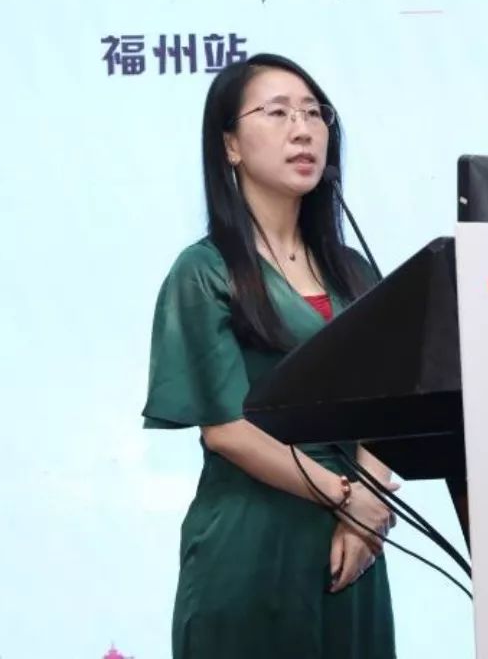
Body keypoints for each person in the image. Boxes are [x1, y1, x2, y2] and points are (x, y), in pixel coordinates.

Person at [142, 53, 398, 658]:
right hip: (253, 542)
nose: (303, 130)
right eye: (278, 113)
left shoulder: (354, 271)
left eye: (313, 113)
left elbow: (389, 402)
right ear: (230, 145)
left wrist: (369, 506)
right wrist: (348, 497)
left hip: (353, 543)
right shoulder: (204, 272)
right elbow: (227, 431)